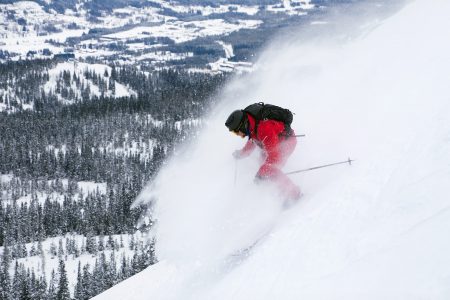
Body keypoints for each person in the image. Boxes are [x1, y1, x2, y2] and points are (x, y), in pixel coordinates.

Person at [225, 107, 301, 201]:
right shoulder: (252, 124)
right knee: (262, 163)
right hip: (273, 144)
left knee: (271, 169)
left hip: (287, 142)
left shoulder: (264, 129)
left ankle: (294, 194)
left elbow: (275, 158)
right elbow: (253, 141)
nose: (239, 135)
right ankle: (282, 190)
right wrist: (241, 153)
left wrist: (261, 173)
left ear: (243, 125)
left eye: (236, 132)